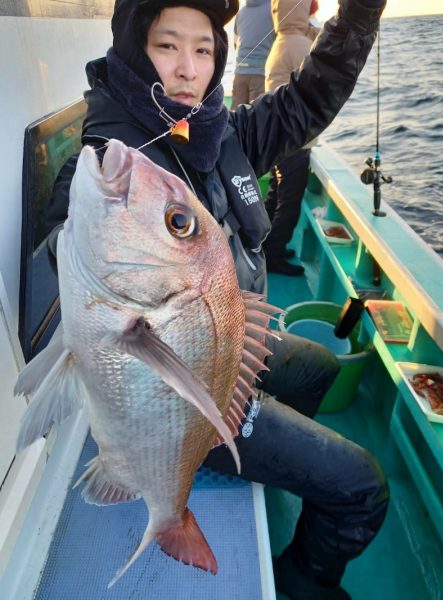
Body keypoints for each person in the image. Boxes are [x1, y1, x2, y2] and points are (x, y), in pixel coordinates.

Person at [45, 1, 389, 598]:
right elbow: (61, 242)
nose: (187, 69)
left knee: (320, 368)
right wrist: (66, 241)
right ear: (133, 49)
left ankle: (278, 467)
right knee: (363, 485)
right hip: (176, 410)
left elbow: (308, 100)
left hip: (220, 350)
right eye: (166, 45)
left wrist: (360, 12)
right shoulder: (110, 168)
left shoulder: (219, 134)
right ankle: (303, 582)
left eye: (203, 50)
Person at [263, 0, 321, 276]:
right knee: (289, 200)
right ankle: (274, 255)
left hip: (279, 136)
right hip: (295, 139)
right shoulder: (301, 46)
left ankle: (264, 246)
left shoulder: (281, 42)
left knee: (276, 193)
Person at [230, 0, 275, 110]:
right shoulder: (274, 8)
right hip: (261, 74)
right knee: (258, 118)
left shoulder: (241, 12)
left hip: (240, 73)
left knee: (236, 118)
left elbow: (236, 43)